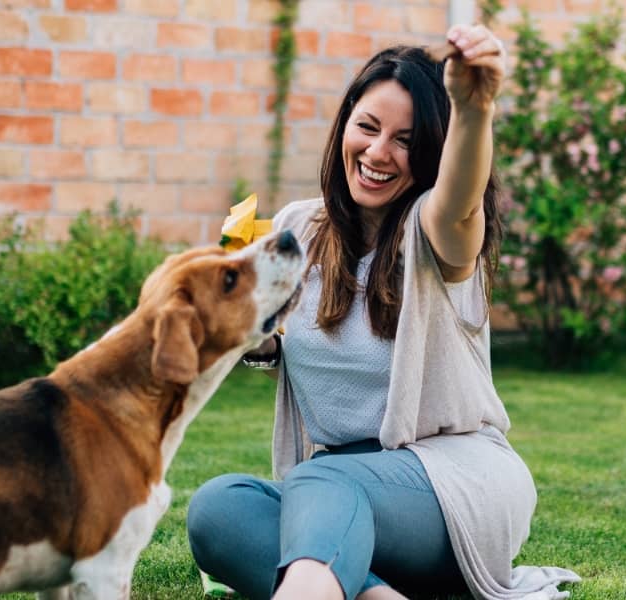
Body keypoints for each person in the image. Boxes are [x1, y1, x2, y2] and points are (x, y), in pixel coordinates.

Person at [185, 24, 579, 600]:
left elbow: (462, 199)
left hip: (454, 486)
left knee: (318, 479)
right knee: (218, 508)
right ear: (345, 124)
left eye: (405, 140)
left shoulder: (433, 232)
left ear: (430, 154)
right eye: (367, 127)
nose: (377, 152)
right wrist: (254, 334)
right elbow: (270, 336)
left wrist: (474, 109)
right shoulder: (298, 228)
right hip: (345, 494)